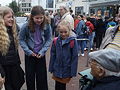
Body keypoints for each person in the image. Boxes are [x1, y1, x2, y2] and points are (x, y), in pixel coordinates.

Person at [19, 6, 52, 90]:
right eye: (37, 18)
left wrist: (43, 51)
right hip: (30, 55)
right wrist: (28, 51)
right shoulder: (26, 26)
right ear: (32, 17)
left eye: (41, 18)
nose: (39, 20)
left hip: (41, 54)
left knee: (42, 78)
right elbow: (21, 39)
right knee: (30, 77)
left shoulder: (47, 25)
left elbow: (49, 39)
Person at [0, 6, 25, 90]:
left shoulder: (12, 30)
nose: (12, 19)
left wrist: (18, 66)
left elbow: (15, 51)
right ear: (1, 18)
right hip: (4, 69)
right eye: (9, 17)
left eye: (12, 17)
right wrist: (1, 73)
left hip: (14, 67)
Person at [49, 20, 78, 90]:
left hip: (66, 69)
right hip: (57, 68)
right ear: (58, 31)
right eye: (61, 32)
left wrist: (73, 71)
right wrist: (51, 67)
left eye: (65, 32)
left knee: (62, 86)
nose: (63, 34)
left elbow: (74, 57)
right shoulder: (55, 41)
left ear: (69, 31)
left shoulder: (72, 41)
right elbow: (53, 55)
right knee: (57, 85)